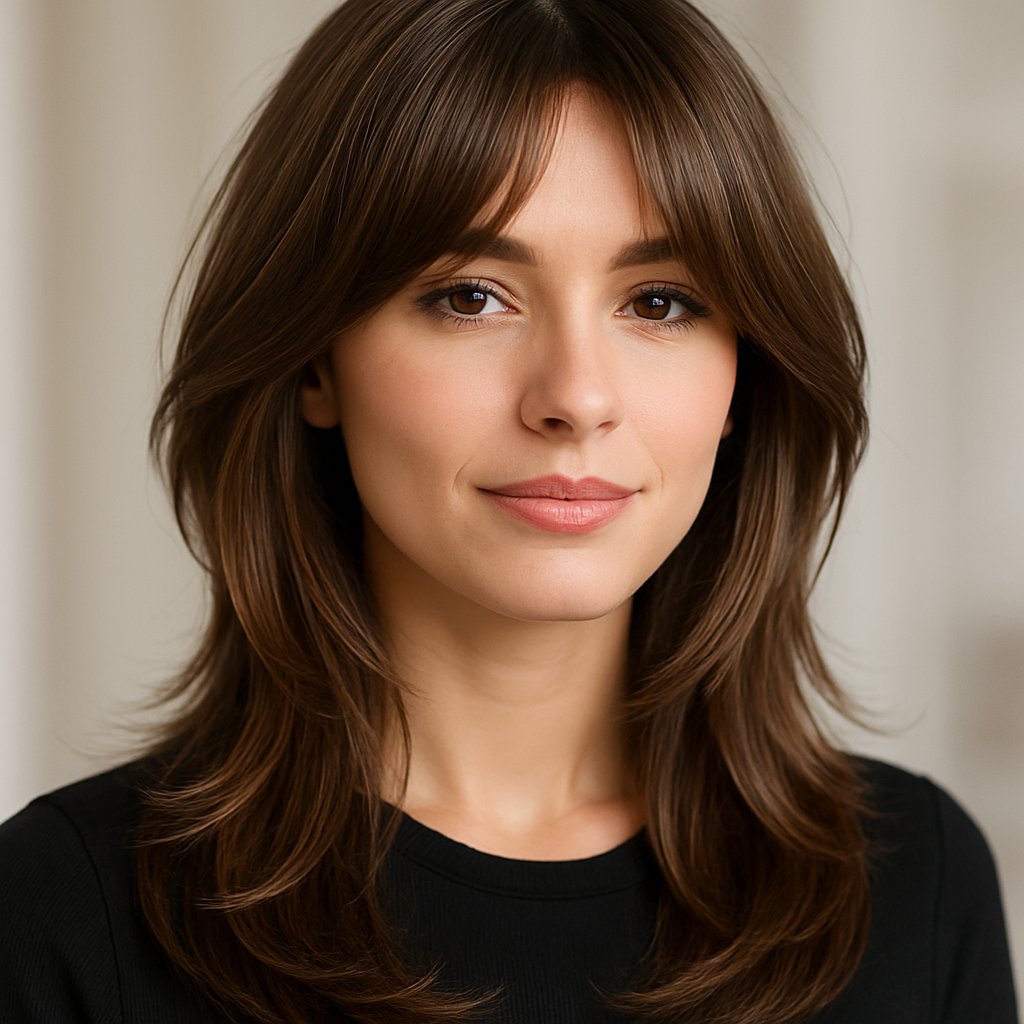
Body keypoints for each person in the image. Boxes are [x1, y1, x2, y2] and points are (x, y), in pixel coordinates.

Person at [0, 0, 1017, 1021]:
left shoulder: (910, 887)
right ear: (315, 357)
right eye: (471, 295)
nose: (575, 395)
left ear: (743, 377)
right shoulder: (67, 909)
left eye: (658, 301)